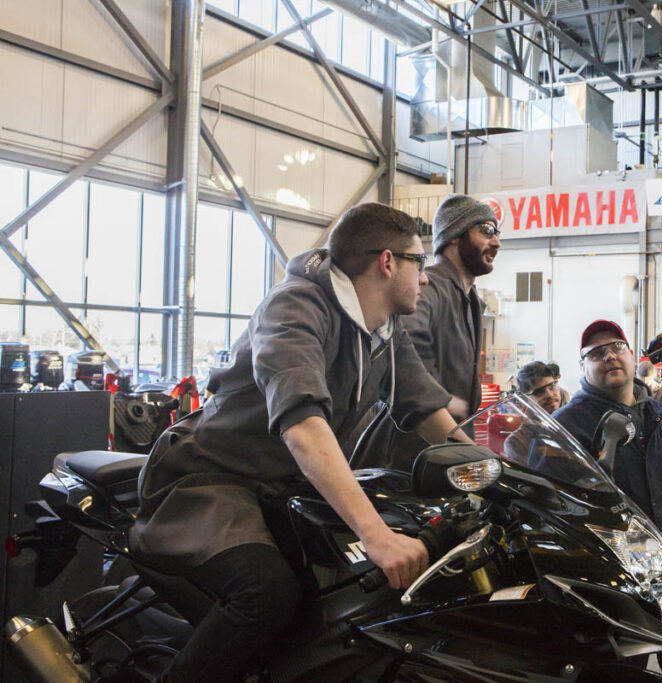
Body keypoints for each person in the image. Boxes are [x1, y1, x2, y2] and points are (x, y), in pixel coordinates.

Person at [131, 203, 466, 682]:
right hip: (207, 478)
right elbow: (303, 426)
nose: (427, 277)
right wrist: (377, 536)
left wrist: (501, 477)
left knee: (343, 596)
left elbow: (430, 413)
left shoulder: (383, 330)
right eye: (419, 261)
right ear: (387, 262)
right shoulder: (295, 307)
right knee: (266, 595)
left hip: (279, 486)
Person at [553, 319, 662, 608]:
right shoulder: (565, 427)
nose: (609, 356)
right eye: (596, 354)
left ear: (632, 355)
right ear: (582, 367)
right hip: (604, 584)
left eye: (616, 348)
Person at [355, 194, 501, 471]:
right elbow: (404, 337)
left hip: (444, 445)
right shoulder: (429, 285)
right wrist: (440, 396)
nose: (496, 242)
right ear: (455, 235)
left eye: (496, 232)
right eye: (486, 230)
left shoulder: (471, 301)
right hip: (413, 450)